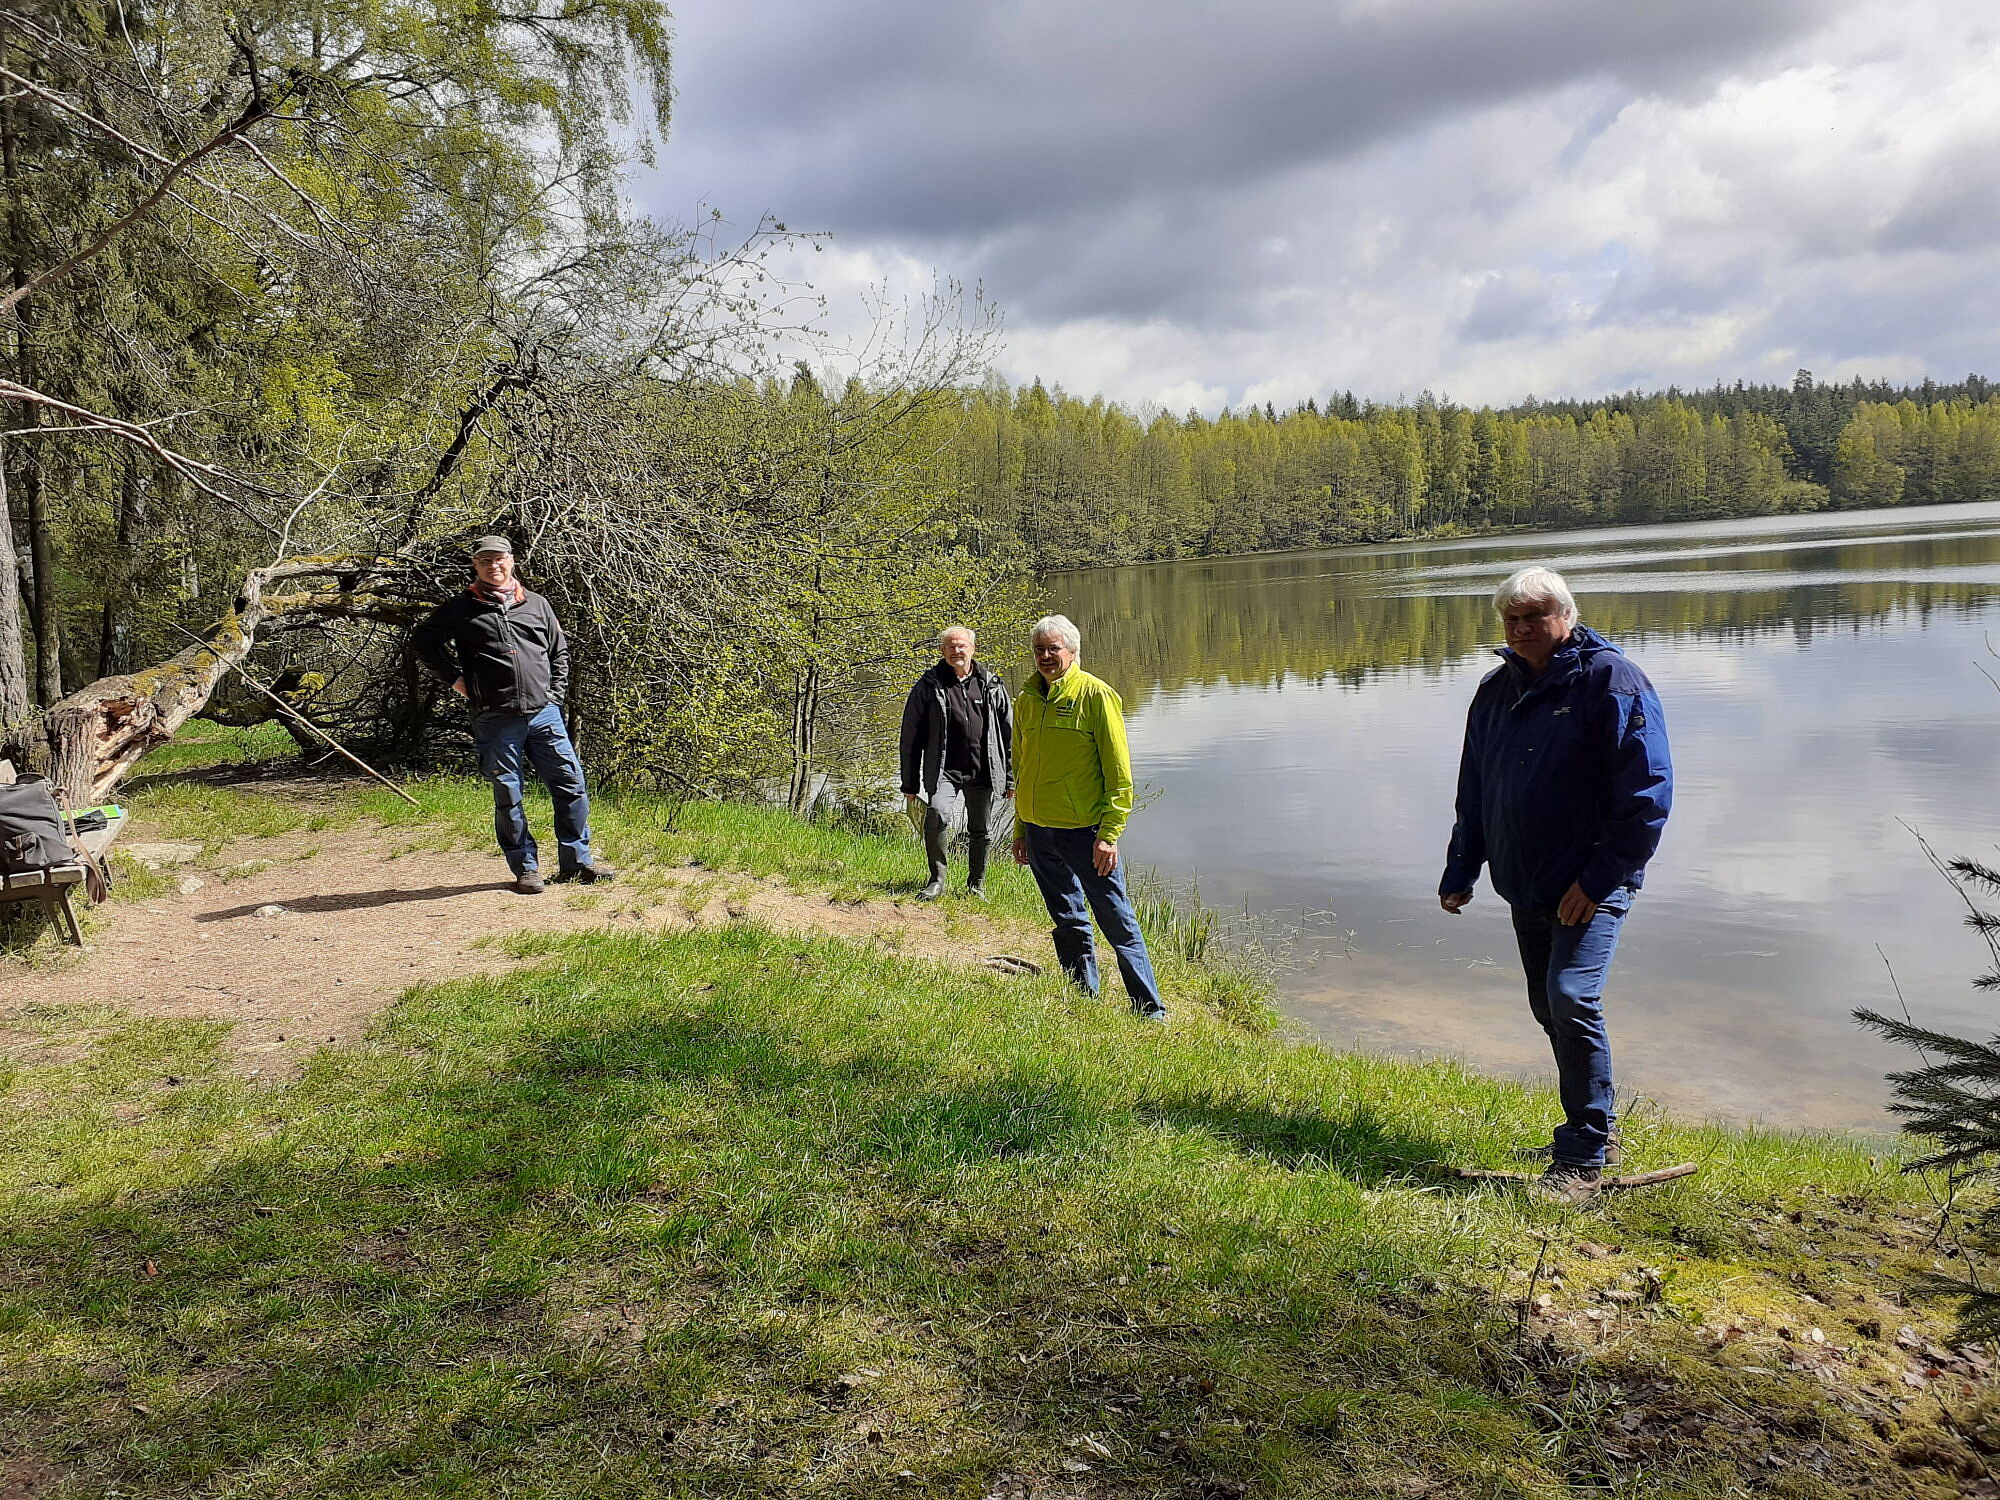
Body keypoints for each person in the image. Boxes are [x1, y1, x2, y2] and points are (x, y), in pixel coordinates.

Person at [1439, 565, 1672, 1205]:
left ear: (1564, 616)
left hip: (1591, 884)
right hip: (1527, 882)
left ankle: (1584, 1157)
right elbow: (1476, 792)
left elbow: (1647, 797)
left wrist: (1597, 880)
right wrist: (1463, 869)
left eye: (1533, 617)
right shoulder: (1495, 692)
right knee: (1549, 1006)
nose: (1519, 630)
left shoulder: (1610, 681)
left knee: (1571, 996)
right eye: (1510, 620)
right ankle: (1591, 1127)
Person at [411, 535, 613, 895]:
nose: (494, 566)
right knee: (508, 793)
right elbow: (423, 642)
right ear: (476, 566)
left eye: (499, 559)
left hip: (544, 714)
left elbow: (559, 652)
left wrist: (555, 695)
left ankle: (577, 862)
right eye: (485, 561)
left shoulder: (536, 604)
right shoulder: (461, 608)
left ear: (511, 560)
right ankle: (526, 868)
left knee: (571, 785)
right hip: (495, 717)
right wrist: (458, 682)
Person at [1010, 614, 1167, 1023]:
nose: (1046, 656)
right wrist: (1021, 827)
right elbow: (1022, 769)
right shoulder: (1026, 700)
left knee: (1117, 920)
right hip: (1040, 831)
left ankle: (1149, 1009)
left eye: (1053, 649)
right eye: (1039, 650)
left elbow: (1119, 775)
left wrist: (1109, 835)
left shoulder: (1096, 696)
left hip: (1086, 834)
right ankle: (1083, 996)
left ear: (1073, 652)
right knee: (1066, 917)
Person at [899, 625, 1014, 900]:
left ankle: (976, 885)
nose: (956, 651)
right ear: (942, 651)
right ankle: (937, 879)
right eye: (950, 646)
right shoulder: (929, 685)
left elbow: (1010, 735)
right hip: (943, 772)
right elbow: (910, 736)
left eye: (961, 645)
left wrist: (1010, 777)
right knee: (937, 815)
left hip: (983, 771)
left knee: (981, 830)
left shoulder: (992, 684)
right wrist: (910, 782)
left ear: (973, 649)